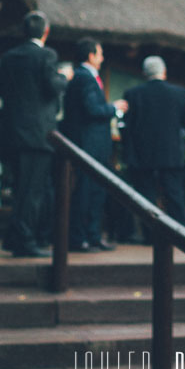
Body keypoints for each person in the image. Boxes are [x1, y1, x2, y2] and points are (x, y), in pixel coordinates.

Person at [0, 11, 70, 258]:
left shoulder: (8, 57)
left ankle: (14, 238)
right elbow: (52, 86)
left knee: (20, 189)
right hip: (38, 134)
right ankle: (24, 241)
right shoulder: (46, 55)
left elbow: (2, 90)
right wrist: (64, 77)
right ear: (46, 32)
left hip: (12, 132)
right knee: (32, 193)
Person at [61, 37, 125, 252]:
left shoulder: (86, 77)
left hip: (95, 145)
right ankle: (80, 237)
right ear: (91, 55)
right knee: (86, 192)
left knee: (96, 191)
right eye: (100, 53)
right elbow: (92, 109)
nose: (102, 57)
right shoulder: (84, 78)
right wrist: (114, 108)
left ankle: (93, 235)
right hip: (89, 145)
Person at [122, 56, 185, 234]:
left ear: (145, 73)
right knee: (174, 193)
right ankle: (181, 233)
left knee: (147, 194)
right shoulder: (180, 93)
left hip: (143, 152)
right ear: (164, 71)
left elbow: (127, 124)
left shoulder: (133, 94)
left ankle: (150, 234)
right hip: (170, 151)